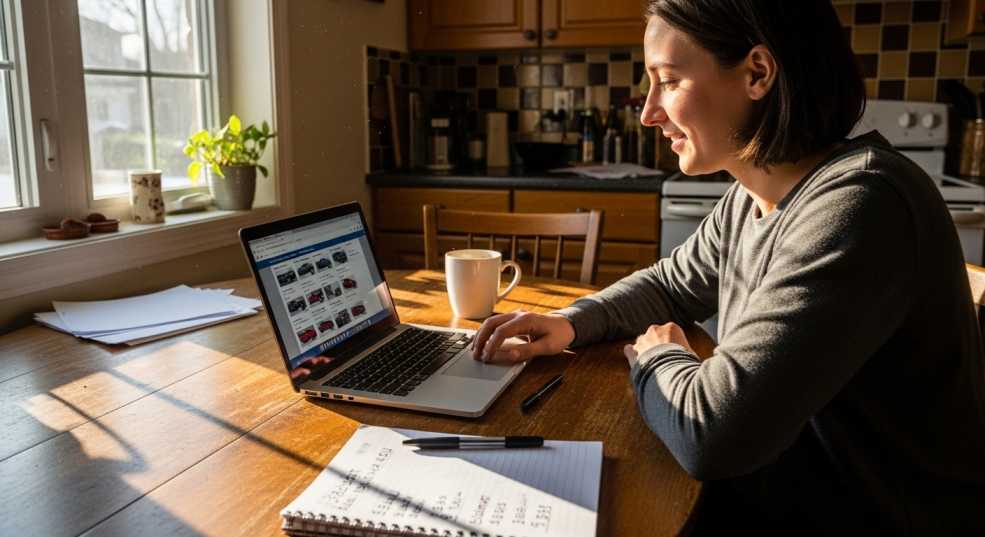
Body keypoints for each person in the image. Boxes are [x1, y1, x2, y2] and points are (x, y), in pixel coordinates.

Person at [471, 0, 985, 533]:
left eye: (668, 81)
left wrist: (659, 358)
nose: (649, 112)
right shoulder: (756, 193)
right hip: (784, 491)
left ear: (757, 73)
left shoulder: (860, 204)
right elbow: (671, 285)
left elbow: (709, 432)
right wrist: (573, 321)